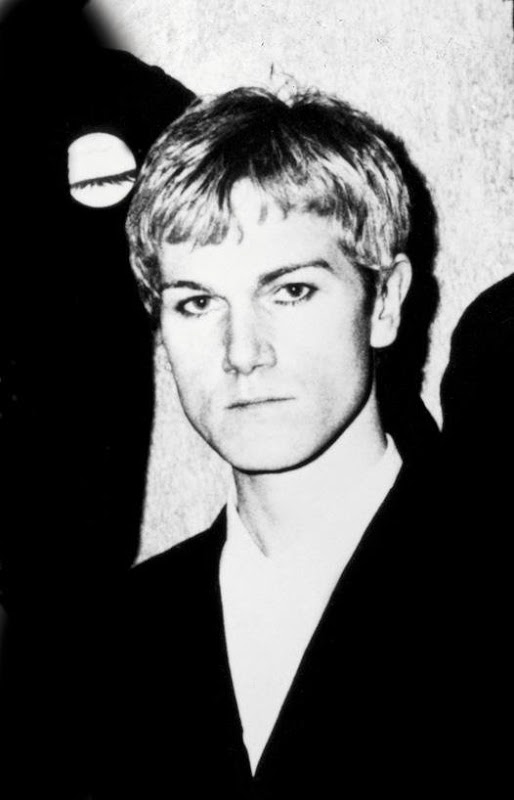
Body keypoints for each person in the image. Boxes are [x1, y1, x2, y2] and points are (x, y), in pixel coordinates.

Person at [99, 87, 463, 798]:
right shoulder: (110, 638)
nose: (242, 352)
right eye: (197, 302)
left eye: (290, 291)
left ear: (385, 302)